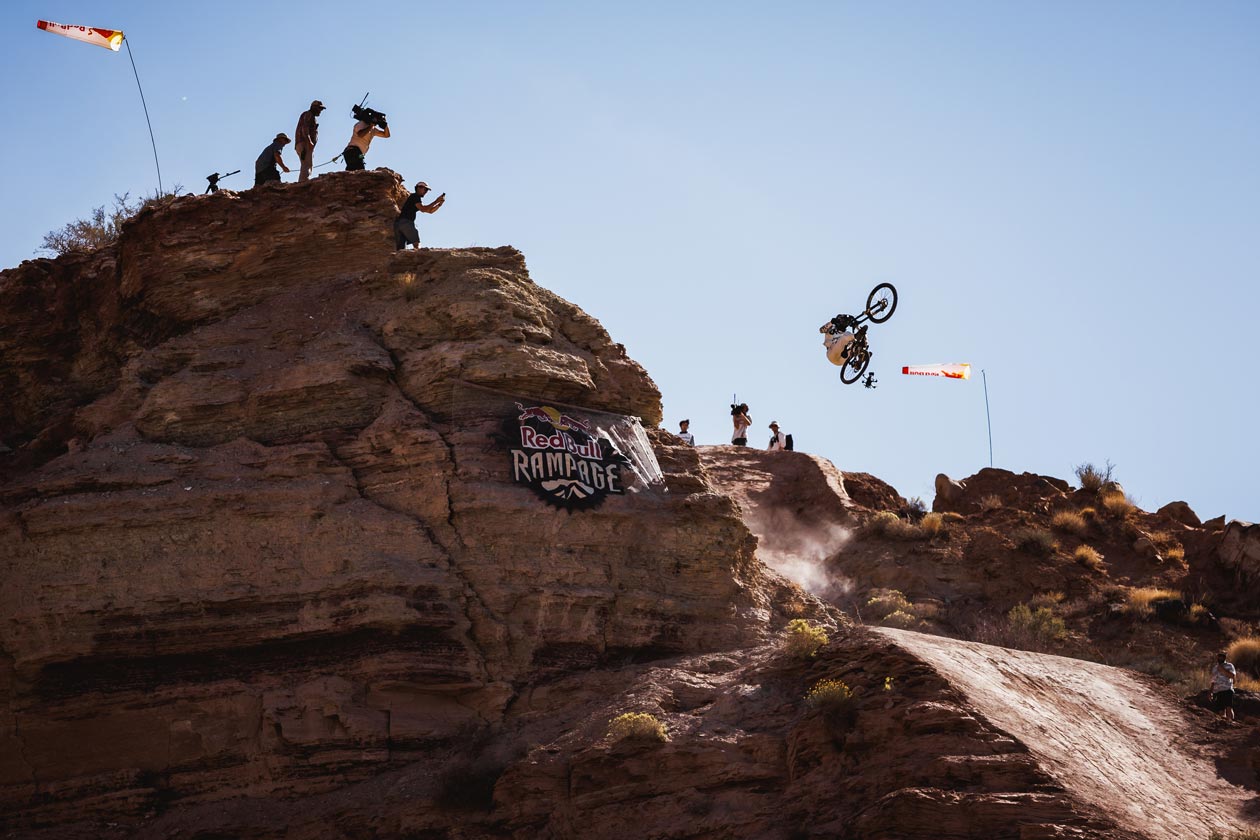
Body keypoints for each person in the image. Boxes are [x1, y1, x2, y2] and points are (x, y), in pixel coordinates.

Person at [394, 182, 446, 250]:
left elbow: (430, 211)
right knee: (416, 244)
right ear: (419, 188)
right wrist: (436, 201)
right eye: (425, 189)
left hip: (399, 224)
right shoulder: (415, 196)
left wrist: (439, 204)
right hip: (406, 223)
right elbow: (423, 209)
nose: (426, 192)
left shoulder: (414, 198)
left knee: (401, 249)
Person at [294, 100, 325, 183]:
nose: (320, 111)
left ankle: (302, 182)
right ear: (314, 107)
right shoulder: (309, 115)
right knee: (307, 165)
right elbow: (305, 128)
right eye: (319, 109)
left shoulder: (307, 115)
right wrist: (309, 141)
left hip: (302, 143)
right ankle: (303, 183)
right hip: (305, 143)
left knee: (305, 164)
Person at [1210, 651, 1237, 722]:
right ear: (1217, 657)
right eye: (1220, 656)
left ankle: (1231, 722)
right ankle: (1224, 724)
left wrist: (1223, 670)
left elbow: (1232, 676)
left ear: (1225, 657)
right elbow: (1213, 681)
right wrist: (1210, 692)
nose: (1221, 657)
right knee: (1221, 710)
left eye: (1223, 656)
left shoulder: (1229, 665)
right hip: (1218, 691)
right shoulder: (1215, 668)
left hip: (1227, 689)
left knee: (1229, 707)